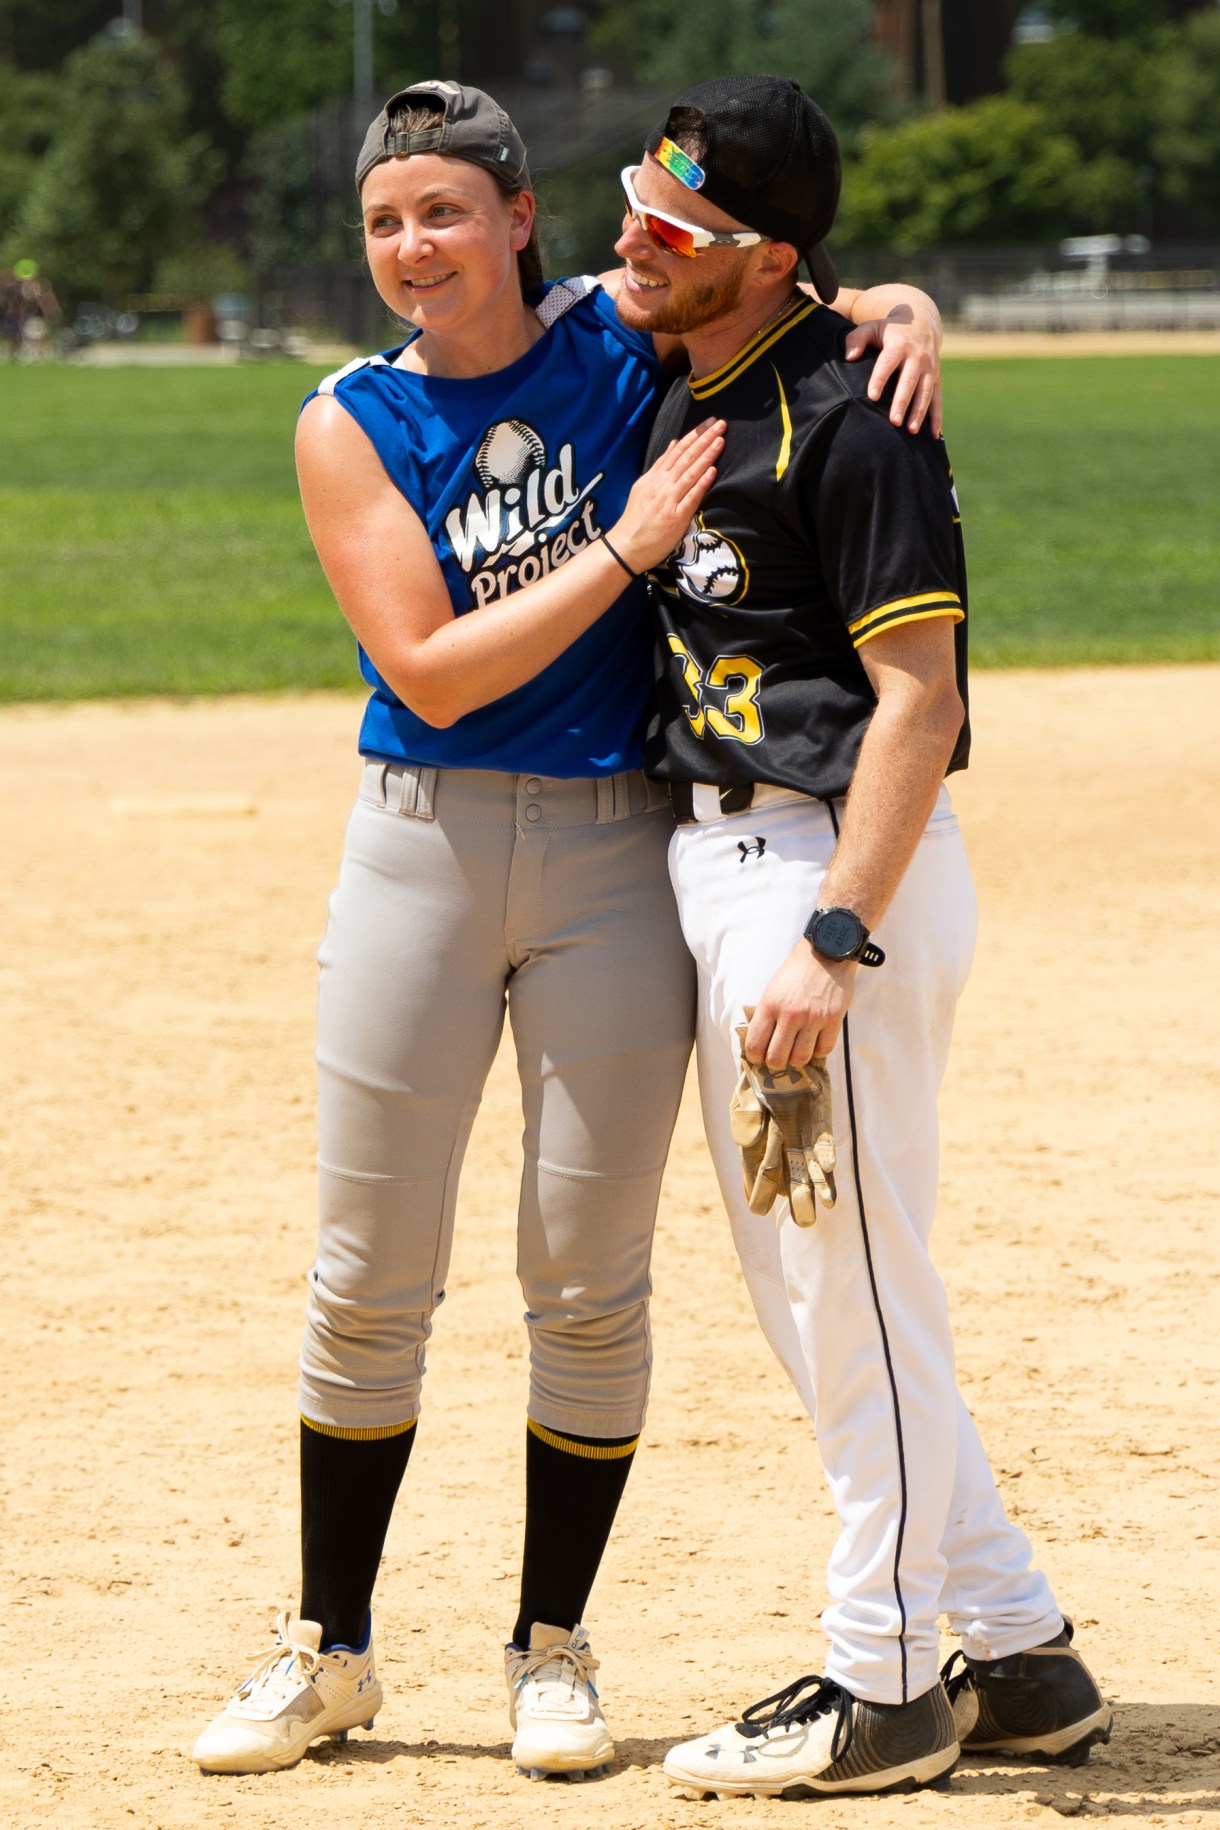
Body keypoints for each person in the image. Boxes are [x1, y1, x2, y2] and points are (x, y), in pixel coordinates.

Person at [192, 78, 947, 1783]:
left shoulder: (618, 337)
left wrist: (911, 313)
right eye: (387, 221)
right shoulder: (348, 417)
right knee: (366, 1271)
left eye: (447, 211)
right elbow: (433, 670)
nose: (413, 247)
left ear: (521, 220)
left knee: (587, 1277)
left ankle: (553, 1645)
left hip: (615, 854)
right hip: (423, 851)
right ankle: (330, 1648)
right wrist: (622, 545)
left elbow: (798, 289)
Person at [608, 76, 1113, 1799]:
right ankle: (1016, 1645)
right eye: (638, 209)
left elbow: (918, 697)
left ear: (760, 260)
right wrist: (898, 292)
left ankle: (882, 1678)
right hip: (740, 869)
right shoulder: (704, 355)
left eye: (669, 232)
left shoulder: (855, 417)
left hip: (827, 877)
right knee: (833, 1288)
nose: (634, 247)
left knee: (855, 1286)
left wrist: (832, 937)